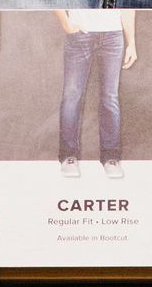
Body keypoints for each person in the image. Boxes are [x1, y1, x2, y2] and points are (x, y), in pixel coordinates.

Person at [57, 10, 137, 179]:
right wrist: (65, 22)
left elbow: (127, 3)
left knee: (110, 97)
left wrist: (131, 42)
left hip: (113, 35)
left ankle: (111, 158)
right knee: (72, 95)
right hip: (80, 34)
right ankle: (68, 156)